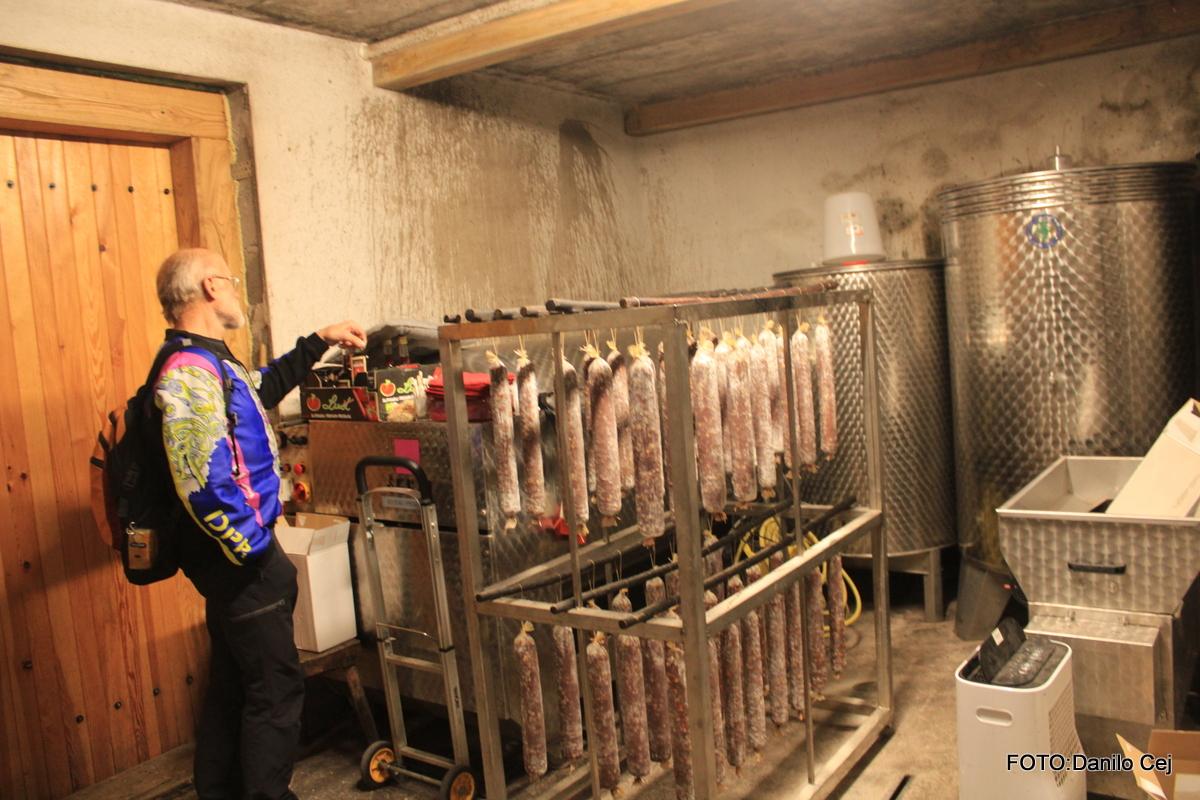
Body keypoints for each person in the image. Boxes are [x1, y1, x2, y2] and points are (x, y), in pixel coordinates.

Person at [152, 247, 365, 800]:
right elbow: (201, 483)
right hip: (243, 567)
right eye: (229, 279)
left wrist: (318, 340)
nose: (237, 291)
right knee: (275, 693)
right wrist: (256, 555)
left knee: (233, 689)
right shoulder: (189, 372)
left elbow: (258, 388)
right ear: (208, 288)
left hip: (237, 568)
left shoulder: (212, 364)